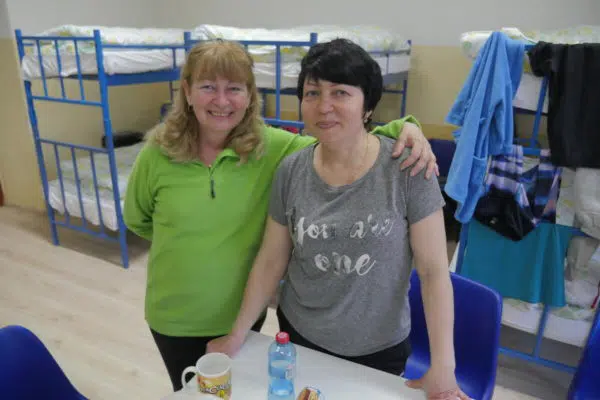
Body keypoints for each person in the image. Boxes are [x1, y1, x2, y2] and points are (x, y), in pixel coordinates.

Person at [123, 39, 438, 392]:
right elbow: (138, 220)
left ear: (250, 95)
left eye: (235, 89)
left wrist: (403, 128)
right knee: (197, 393)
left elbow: (344, 142)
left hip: (242, 315)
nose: (222, 101)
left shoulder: (272, 148)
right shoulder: (157, 154)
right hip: (175, 315)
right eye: (208, 87)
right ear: (187, 91)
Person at [206, 39, 469, 400]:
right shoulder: (291, 170)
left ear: (367, 105)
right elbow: (271, 260)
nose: (324, 106)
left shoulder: (407, 169)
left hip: (378, 351)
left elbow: (434, 272)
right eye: (312, 93)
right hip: (298, 337)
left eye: (340, 92)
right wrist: (237, 334)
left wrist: (443, 366)